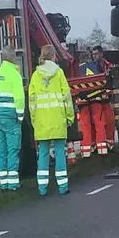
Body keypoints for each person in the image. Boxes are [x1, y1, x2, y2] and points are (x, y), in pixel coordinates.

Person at [29, 45, 75, 196]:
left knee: (42, 153)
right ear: (54, 56)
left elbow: (32, 102)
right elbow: (67, 98)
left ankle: (42, 189)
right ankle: (63, 187)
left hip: (42, 122)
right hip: (58, 119)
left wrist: (34, 120)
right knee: (60, 152)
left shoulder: (35, 75)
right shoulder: (59, 73)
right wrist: (70, 117)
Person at [0, 45, 25, 191]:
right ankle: (13, 184)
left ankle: (3, 183)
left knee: (1, 149)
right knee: (13, 149)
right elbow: (20, 98)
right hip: (11, 117)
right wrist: (20, 116)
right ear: (13, 58)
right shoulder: (14, 75)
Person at [75, 51, 106, 158]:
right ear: (89, 58)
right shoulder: (95, 65)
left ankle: (86, 151)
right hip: (96, 97)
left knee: (85, 125)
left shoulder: (76, 69)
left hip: (82, 99)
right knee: (99, 122)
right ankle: (102, 149)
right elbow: (103, 79)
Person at [92, 45, 116, 153]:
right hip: (96, 99)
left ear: (101, 54)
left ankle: (110, 144)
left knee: (110, 121)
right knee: (98, 123)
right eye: (93, 54)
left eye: (96, 54)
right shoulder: (91, 67)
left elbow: (113, 81)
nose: (94, 56)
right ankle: (98, 146)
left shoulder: (109, 66)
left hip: (107, 99)